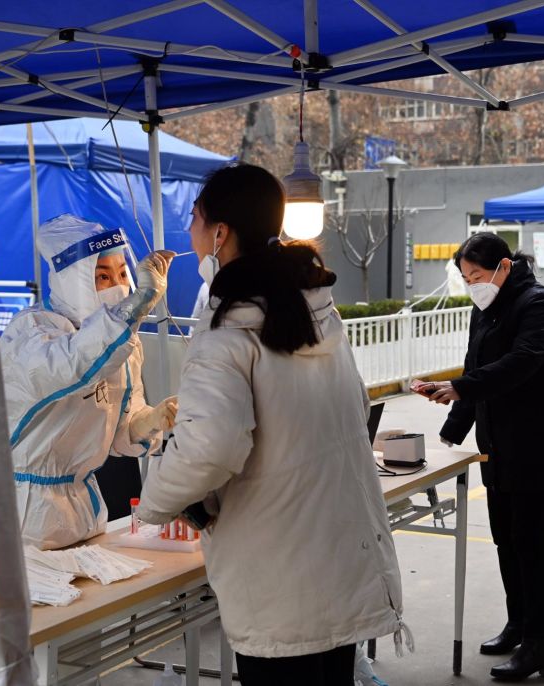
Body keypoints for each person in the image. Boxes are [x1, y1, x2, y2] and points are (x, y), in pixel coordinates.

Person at [135, 165, 407, 685]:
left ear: (220, 233)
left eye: (195, 219)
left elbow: (209, 450)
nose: (189, 232)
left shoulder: (226, 336)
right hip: (340, 556)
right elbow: (349, 407)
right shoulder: (315, 311)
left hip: (281, 576)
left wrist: (156, 505)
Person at [412, 232, 544, 681]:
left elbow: (521, 363)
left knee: (532, 544)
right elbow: (477, 371)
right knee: (506, 541)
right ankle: (518, 623)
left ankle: (540, 645)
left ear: (504, 267)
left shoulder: (539, 305)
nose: (473, 285)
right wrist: (453, 428)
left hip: (540, 446)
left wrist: (464, 387)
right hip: (500, 447)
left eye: (477, 275)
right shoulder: (485, 309)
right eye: (466, 278)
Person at [0, 214, 178, 550]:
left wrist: (151, 420)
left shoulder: (122, 343)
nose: (118, 286)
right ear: (72, 280)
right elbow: (72, 366)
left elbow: (120, 433)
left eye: (123, 274)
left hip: (85, 508)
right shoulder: (31, 332)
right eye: (102, 276)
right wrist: (137, 306)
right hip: (25, 515)